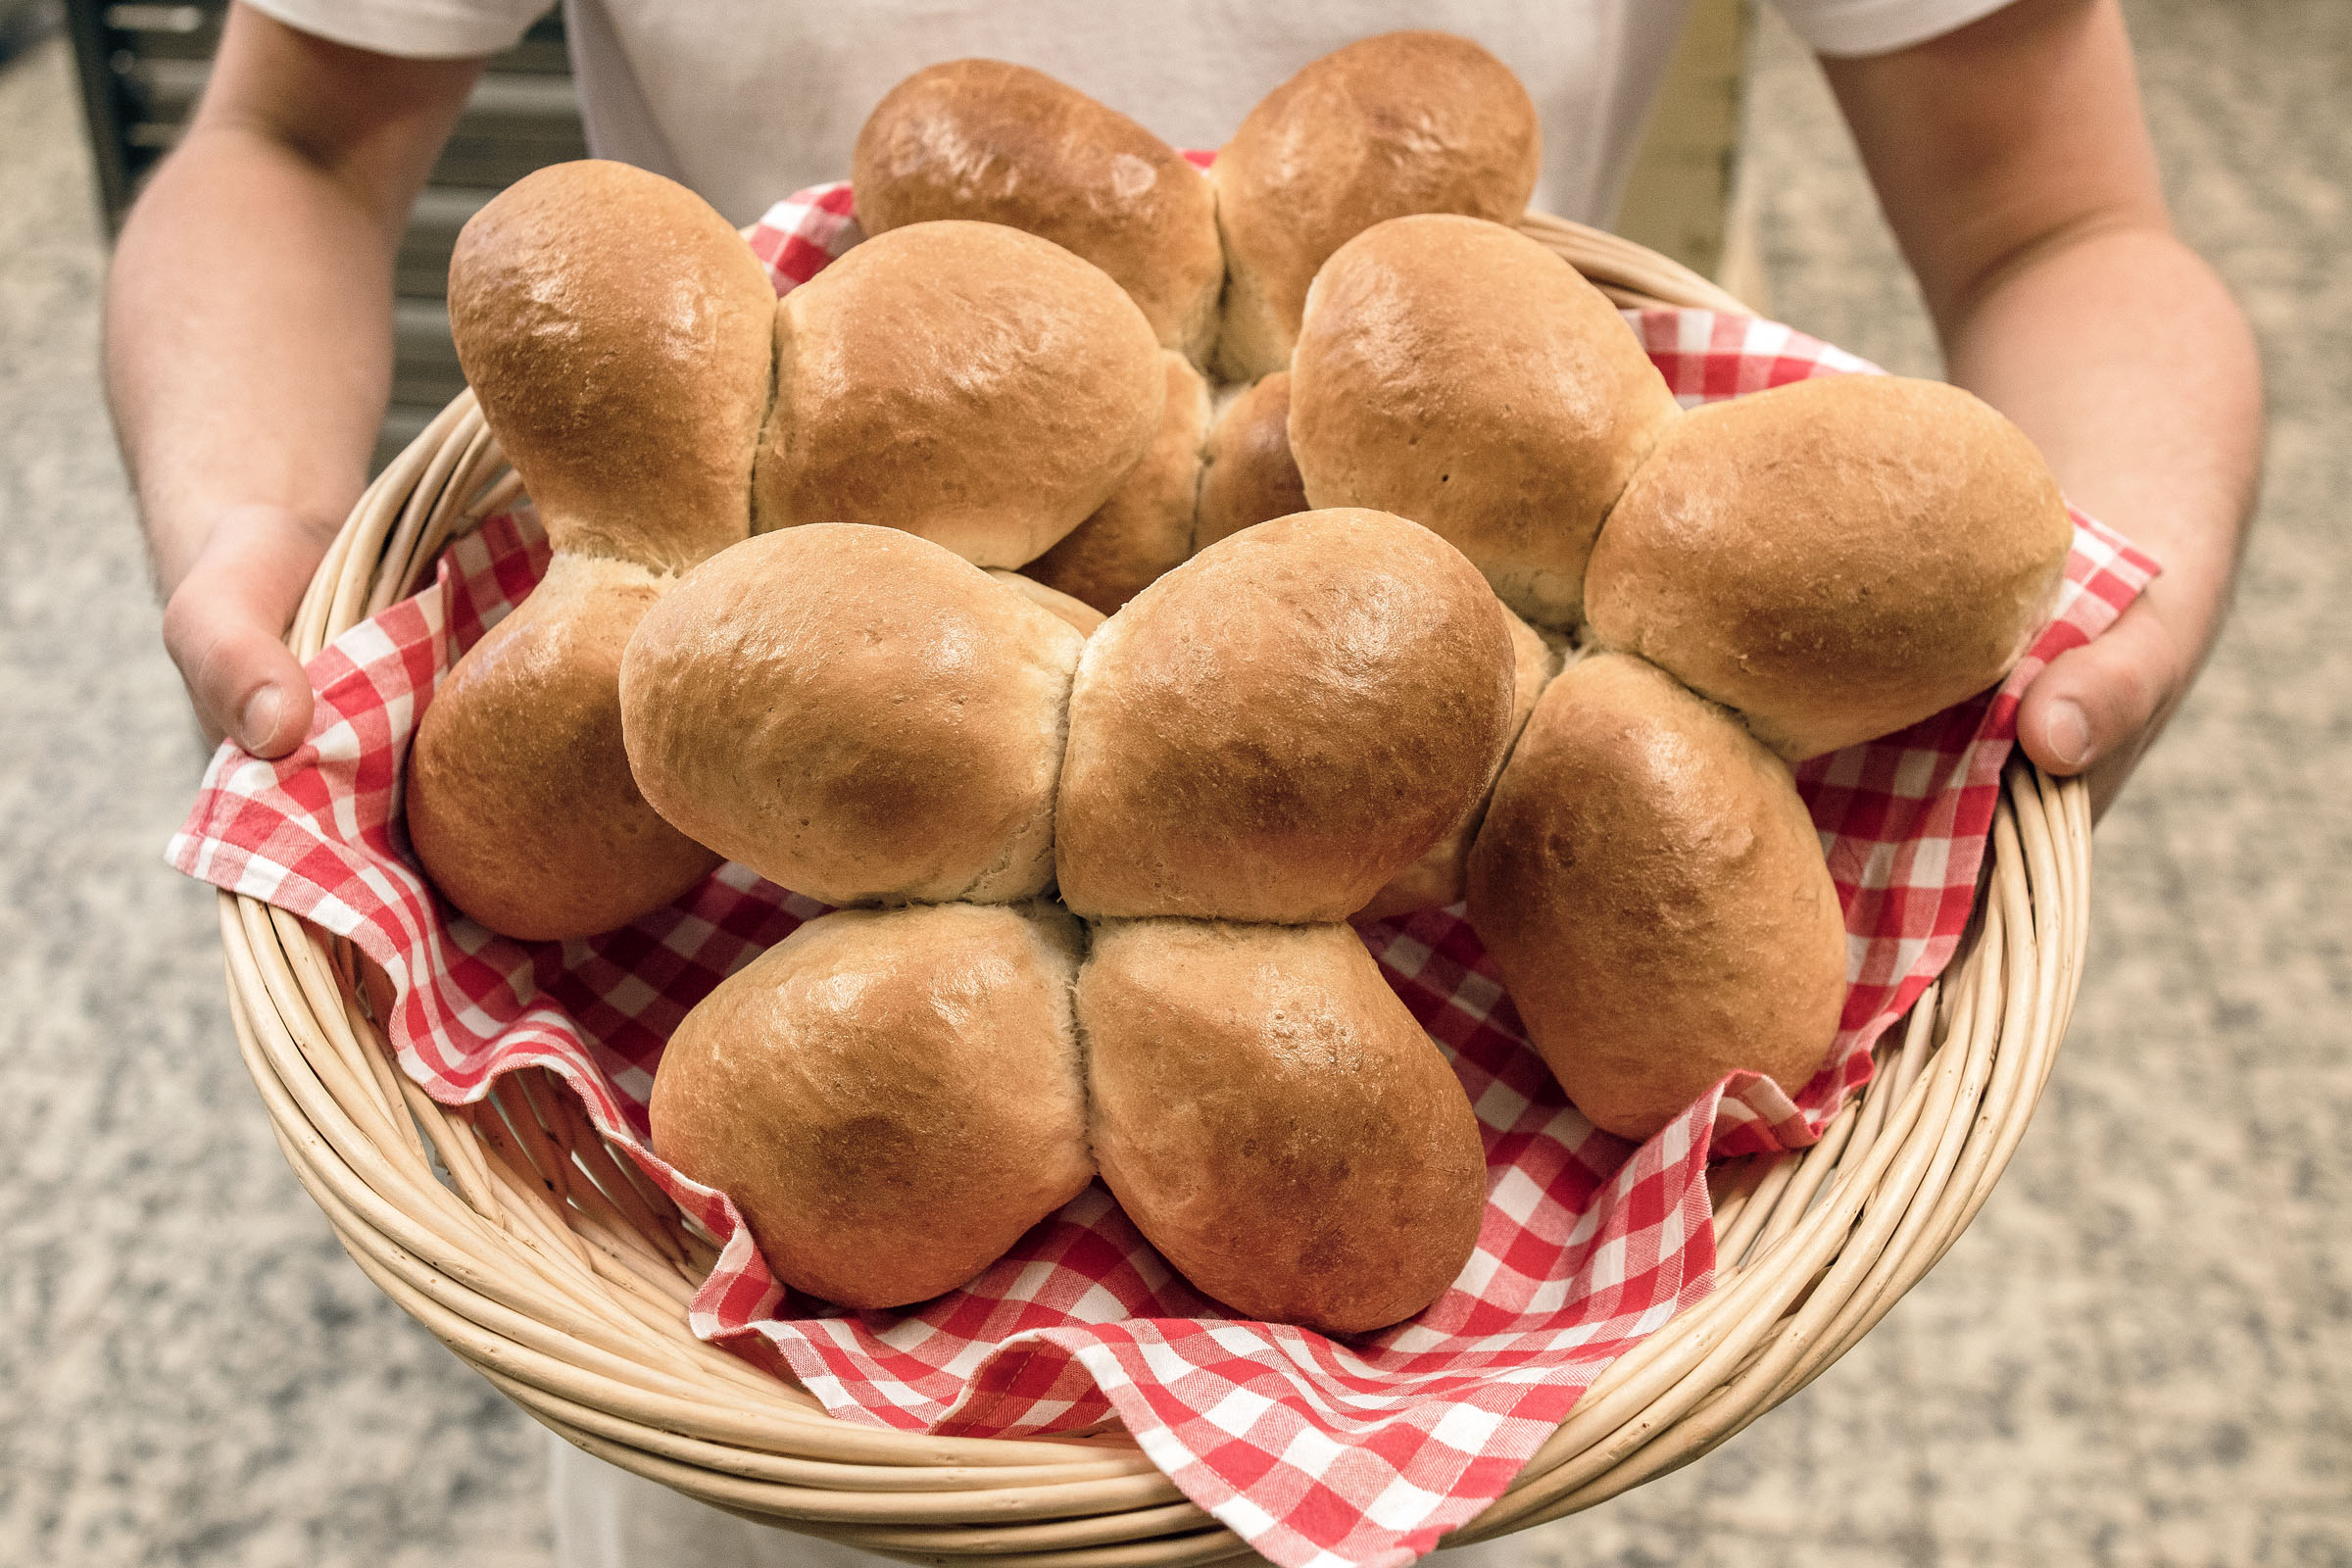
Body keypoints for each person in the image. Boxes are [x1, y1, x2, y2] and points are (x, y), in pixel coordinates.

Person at [104, 1, 2263, 1562]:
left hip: (1466, 1397)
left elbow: (2053, 214)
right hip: (722, 1376)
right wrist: (243, 520)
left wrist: (2133, 575)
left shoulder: (1527, 636)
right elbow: (287, 143)